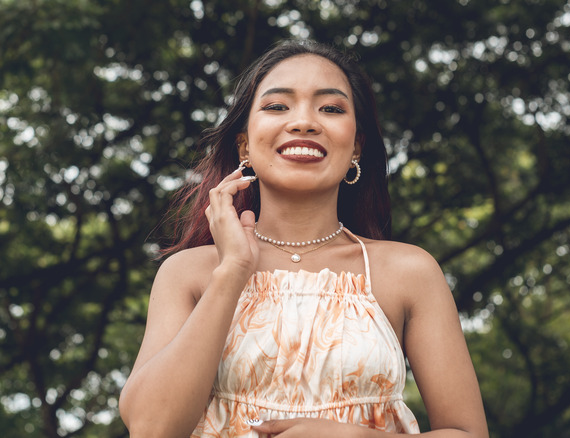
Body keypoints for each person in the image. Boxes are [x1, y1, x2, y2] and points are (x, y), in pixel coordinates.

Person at [118, 39, 489, 438]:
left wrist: (357, 437)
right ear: (244, 142)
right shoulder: (189, 273)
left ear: (356, 146)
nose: (304, 122)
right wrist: (232, 272)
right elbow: (151, 428)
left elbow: (467, 432)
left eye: (330, 108)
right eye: (278, 106)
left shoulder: (408, 271)